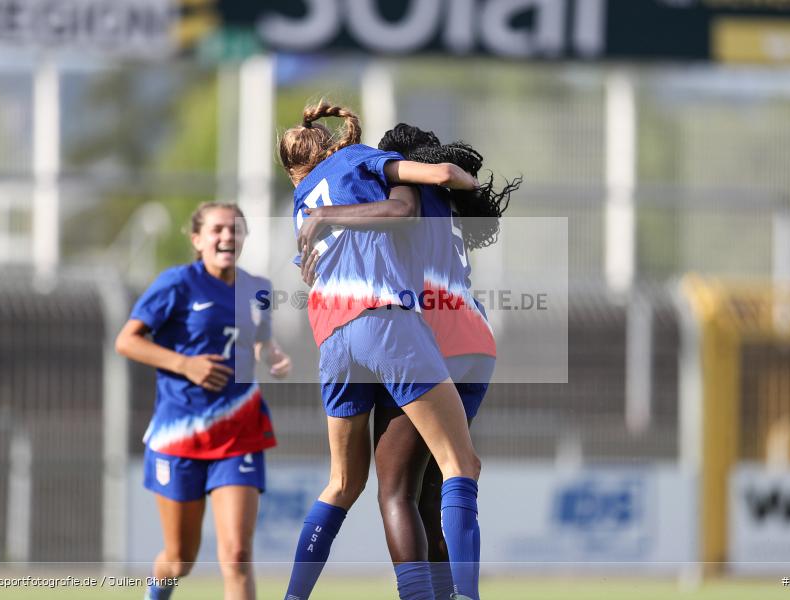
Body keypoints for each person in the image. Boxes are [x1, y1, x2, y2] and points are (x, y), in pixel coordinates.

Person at [297, 123, 520, 600]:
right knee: (433, 488)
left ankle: (447, 595)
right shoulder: (452, 207)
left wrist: (324, 231)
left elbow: (394, 217)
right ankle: (452, 592)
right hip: (476, 343)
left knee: (396, 490)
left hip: (425, 338)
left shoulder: (399, 188)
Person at [115, 202, 291, 600]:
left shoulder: (258, 288)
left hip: (240, 432)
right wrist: (185, 364)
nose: (227, 237)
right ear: (198, 239)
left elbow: (259, 340)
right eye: (217, 230)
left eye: (235, 230)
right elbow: (126, 341)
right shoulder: (176, 283)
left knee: (237, 555)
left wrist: (273, 354)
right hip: (180, 435)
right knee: (180, 559)